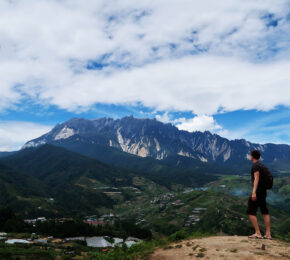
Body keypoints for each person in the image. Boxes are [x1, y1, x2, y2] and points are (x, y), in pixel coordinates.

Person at [247, 150, 272, 239]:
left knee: (250, 211)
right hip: (263, 191)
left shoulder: (255, 165)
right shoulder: (262, 165)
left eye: (250, 155)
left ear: (252, 156)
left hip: (257, 192)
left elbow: (256, 178)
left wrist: (254, 192)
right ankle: (268, 234)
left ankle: (258, 233)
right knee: (264, 211)